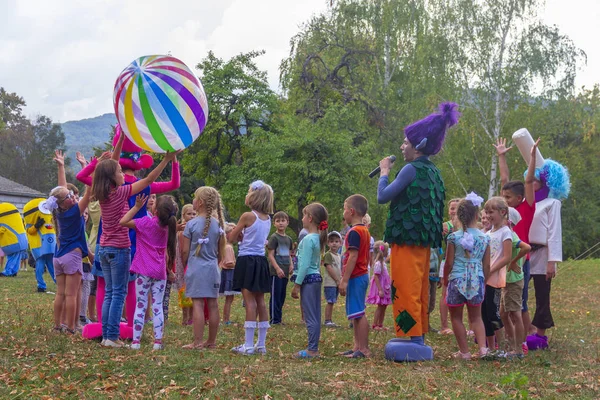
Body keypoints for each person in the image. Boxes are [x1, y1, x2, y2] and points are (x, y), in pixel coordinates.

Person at [378, 102, 459, 361]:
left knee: (404, 286)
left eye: (405, 142)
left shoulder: (410, 169)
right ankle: (417, 333)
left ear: (419, 144)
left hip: (406, 240)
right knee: (419, 286)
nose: (402, 146)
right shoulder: (433, 172)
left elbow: (382, 196)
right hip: (423, 242)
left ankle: (412, 337)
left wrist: (384, 172)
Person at [91, 144, 176, 348]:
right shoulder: (120, 193)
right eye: (120, 171)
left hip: (103, 249)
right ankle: (111, 337)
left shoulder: (103, 193)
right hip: (119, 249)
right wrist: (166, 160)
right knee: (118, 293)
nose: (123, 172)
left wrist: (119, 141)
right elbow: (148, 180)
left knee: (110, 292)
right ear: (113, 177)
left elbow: (113, 164)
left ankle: (106, 335)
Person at [495, 137, 537, 353]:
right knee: (505, 308)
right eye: (503, 197)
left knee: (519, 305)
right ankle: (512, 341)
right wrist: (502, 155)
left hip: (520, 261)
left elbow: (529, 182)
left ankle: (523, 342)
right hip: (504, 260)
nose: (505, 200)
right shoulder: (505, 210)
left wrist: (531, 158)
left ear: (520, 198)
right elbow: (504, 179)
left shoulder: (527, 208)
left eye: (509, 197)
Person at [120, 194, 178, 350]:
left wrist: (137, 207)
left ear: (156, 211)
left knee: (141, 304)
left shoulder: (145, 223)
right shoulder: (169, 228)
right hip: (160, 273)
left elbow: (123, 221)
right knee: (157, 305)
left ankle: (136, 342)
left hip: (143, 271)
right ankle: (157, 343)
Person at [227, 181, 273, 355]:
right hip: (260, 261)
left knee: (249, 301)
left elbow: (231, 237)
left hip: (247, 260)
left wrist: (234, 231)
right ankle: (261, 344)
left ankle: (247, 344)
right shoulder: (267, 219)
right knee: (260, 300)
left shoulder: (247, 216)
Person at [443, 193, 490, 359]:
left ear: (459, 215)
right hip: (477, 279)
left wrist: (445, 278)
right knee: (476, 317)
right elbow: (486, 264)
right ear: (477, 215)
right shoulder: (485, 238)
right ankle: (483, 349)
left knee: (456, 317)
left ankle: (464, 352)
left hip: (457, 279)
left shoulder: (453, 238)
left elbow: (448, 263)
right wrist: (485, 280)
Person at [49, 150, 91, 334]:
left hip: (58, 257)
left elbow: (60, 190)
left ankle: (57, 325)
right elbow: (89, 191)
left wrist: (61, 166)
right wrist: (88, 169)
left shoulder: (58, 212)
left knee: (60, 293)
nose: (74, 196)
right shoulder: (75, 212)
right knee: (72, 294)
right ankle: (71, 327)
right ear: (65, 202)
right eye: (71, 197)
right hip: (72, 256)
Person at [181, 187, 226, 350]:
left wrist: (184, 263)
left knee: (198, 304)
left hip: (196, 268)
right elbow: (220, 250)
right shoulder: (218, 224)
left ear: (199, 203)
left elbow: (185, 250)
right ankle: (211, 342)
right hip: (213, 269)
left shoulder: (191, 224)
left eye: (194, 197)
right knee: (213, 304)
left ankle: (197, 341)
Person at [291, 203, 328, 358]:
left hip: (308, 280)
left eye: (304, 215)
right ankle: (313, 346)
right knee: (315, 314)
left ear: (310, 218)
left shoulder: (308, 239)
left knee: (310, 315)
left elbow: (305, 264)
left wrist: (297, 285)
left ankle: (312, 349)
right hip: (316, 278)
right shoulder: (317, 238)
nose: (302, 218)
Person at [339, 194, 372, 358]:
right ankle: (357, 347)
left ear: (351, 211)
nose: (343, 212)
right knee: (355, 313)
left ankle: (364, 349)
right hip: (360, 275)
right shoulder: (364, 230)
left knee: (359, 313)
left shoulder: (354, 232)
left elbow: (352, 257)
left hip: (357, 276)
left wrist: (344, 279)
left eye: (344, 209)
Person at [499, 208, 531, 358]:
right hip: (506, 280)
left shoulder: (511, 234)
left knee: (515, 314)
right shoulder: (503, 234)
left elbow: (527, 247)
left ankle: (518, 349)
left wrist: (513, 262)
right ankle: (511, 345)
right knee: (503, 314)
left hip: (513, 281)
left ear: (506, 219)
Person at [483, 197, 513, 351]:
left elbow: (507, 257)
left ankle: (501, 347)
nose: (488, 216)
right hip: (484, 278)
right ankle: (490, 347)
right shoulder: (487, 234)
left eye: (491, 212)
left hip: (494, 279)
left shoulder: (505, 232)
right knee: (484, 313)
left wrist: (491, 270)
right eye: (486, 212)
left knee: (493, 312)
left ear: (502, 212)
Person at [439, 198, 461, 335]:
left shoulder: (465, 225)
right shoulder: (445, 226)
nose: (454, 211)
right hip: (446, 262)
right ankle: (444, 326)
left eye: (456, 208)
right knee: (445, 293)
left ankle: (470, 326)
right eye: (452, 208)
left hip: (461, 263)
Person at [267, 211, 293, 325]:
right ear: (274, 224)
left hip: (286, 270)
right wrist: (277, 268)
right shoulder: (274, 238)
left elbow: (289, 254)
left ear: (287, 222)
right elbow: (270, 255)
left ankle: (279, 318)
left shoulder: (288, 239)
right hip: (276, 272)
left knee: (282, 295)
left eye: (283, 221)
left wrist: (291, 265)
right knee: (276, 295)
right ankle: (274, 319)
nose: (281, 223)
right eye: (278, 221)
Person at [175, 204, 196, 326]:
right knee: (184, 291)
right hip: (184, 264)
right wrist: (184, 262)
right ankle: (185, 317)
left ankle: (192, 317)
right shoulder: (183, 231)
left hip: (192, 263)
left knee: (193, 291)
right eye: (189, 214)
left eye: (194, 214)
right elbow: (183, 250)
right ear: (183, 215)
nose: (192, 216)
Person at [367, 241, 392, 331]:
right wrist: (380, 290)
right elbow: (376, 277)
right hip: (381, 288)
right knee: (380, 306)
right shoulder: (378, 264)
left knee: (384, 306)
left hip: (385, 287)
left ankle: (380, 324)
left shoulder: (383, 263)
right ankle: (375, 324)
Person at [219, 223, 239, 325]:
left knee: (229, 299)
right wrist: (238, 264)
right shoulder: (228, 248)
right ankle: (226, 319)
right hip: (229, 274)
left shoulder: (225, 247)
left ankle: (226, 318)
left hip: (226, 273)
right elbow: (229, 263)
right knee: (229, 299)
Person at [323, 231, 342, 327]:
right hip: (330, 283)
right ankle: (327, 320)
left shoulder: (339, 256)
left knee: (333, 301)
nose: (334, 243)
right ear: (328, 243)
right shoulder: (328, 255)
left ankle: (330, 319)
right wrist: (337, 280)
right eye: (331, 241)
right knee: (330, 301)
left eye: (336, 241)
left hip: (337, 283)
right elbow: (329, 268)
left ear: (340, 243)